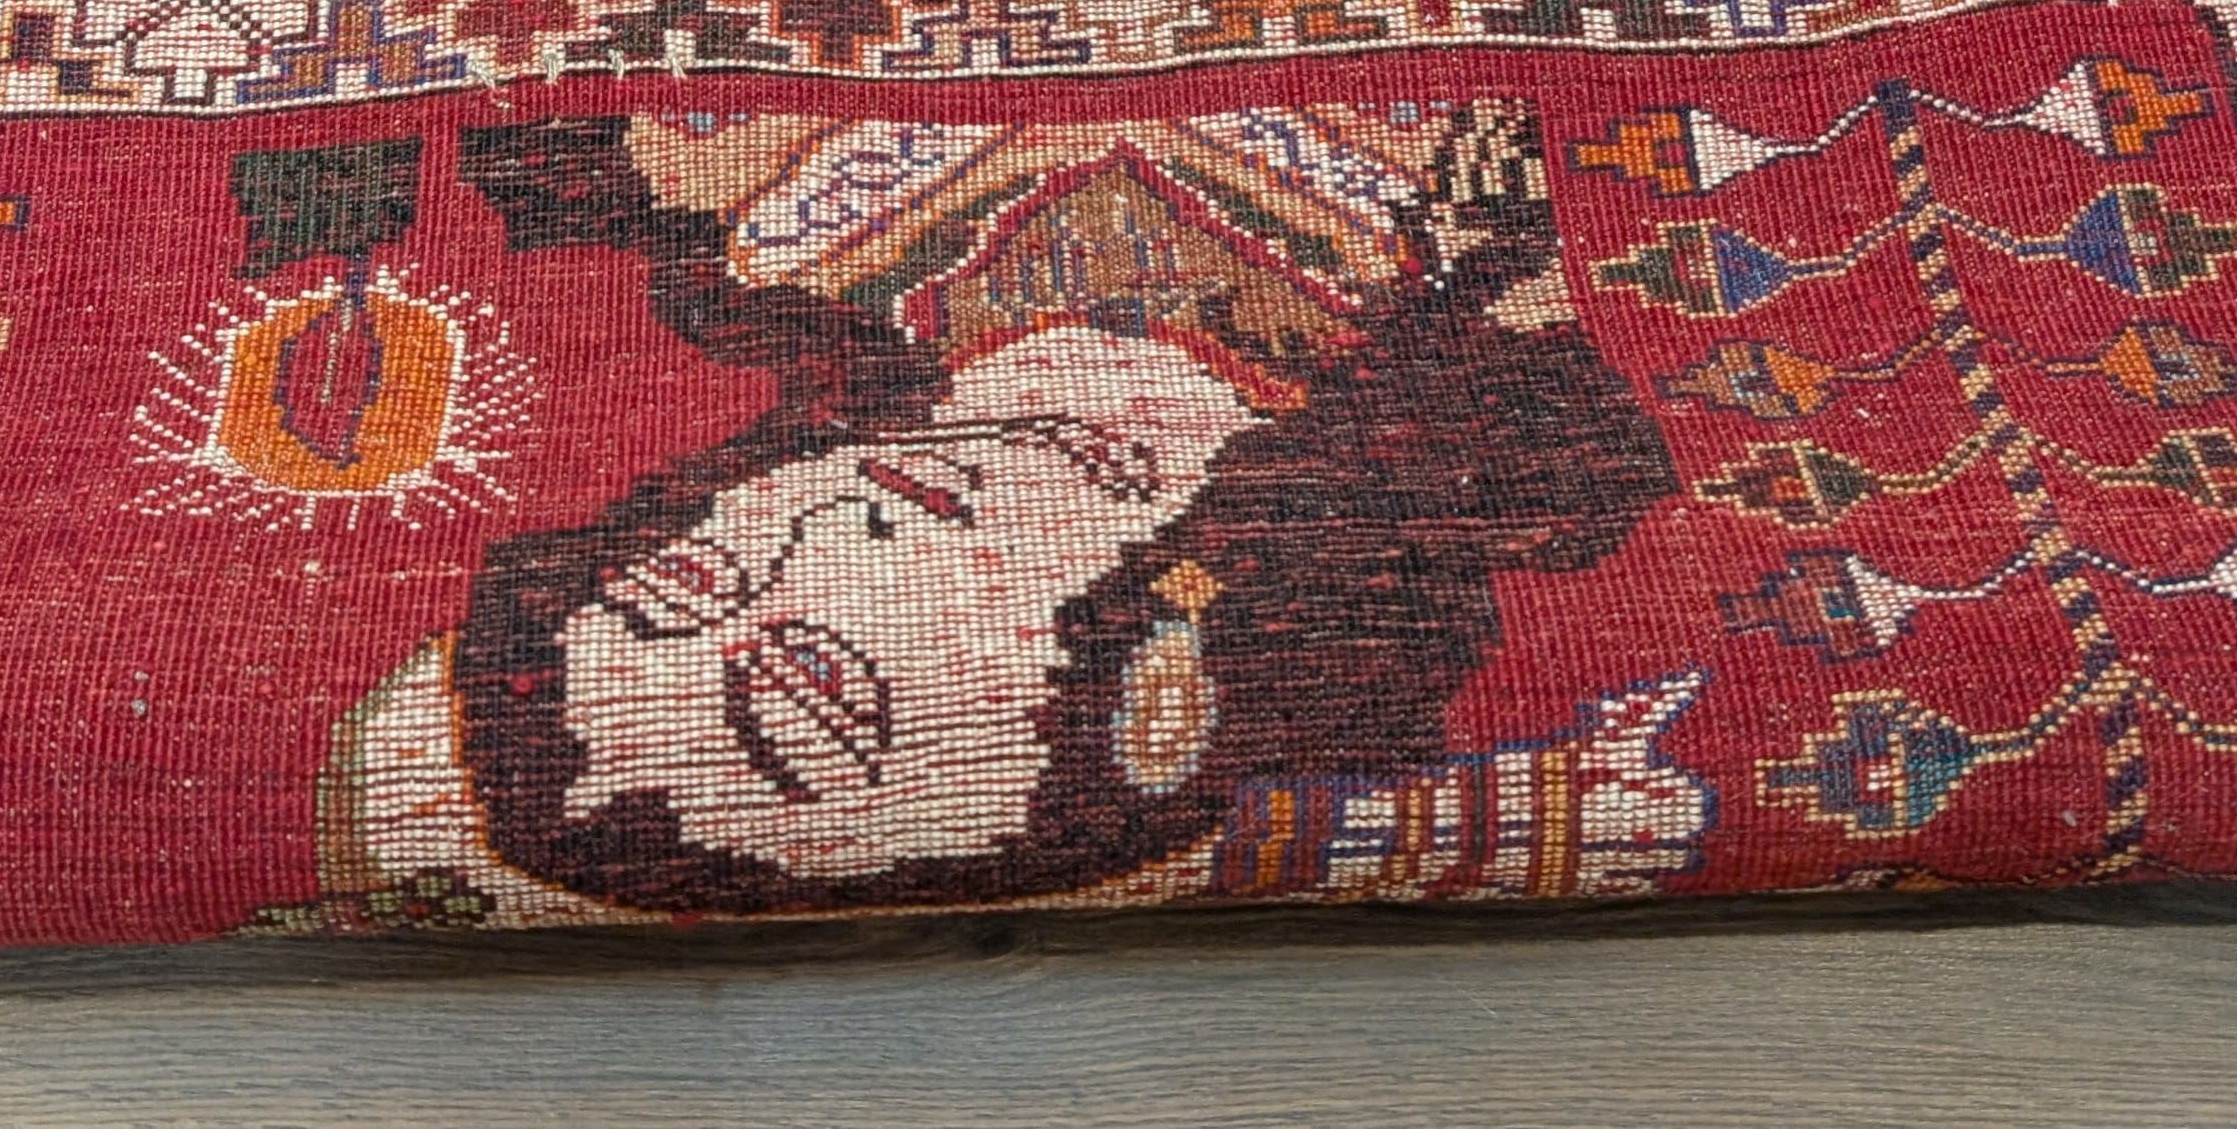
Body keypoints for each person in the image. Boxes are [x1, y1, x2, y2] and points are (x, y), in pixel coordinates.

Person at [308, 107, 1676, 918]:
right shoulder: (1548, 397)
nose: (814, 546)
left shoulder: (668, 176)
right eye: (818, 685)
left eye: (685, 580)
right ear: (1104, 741)